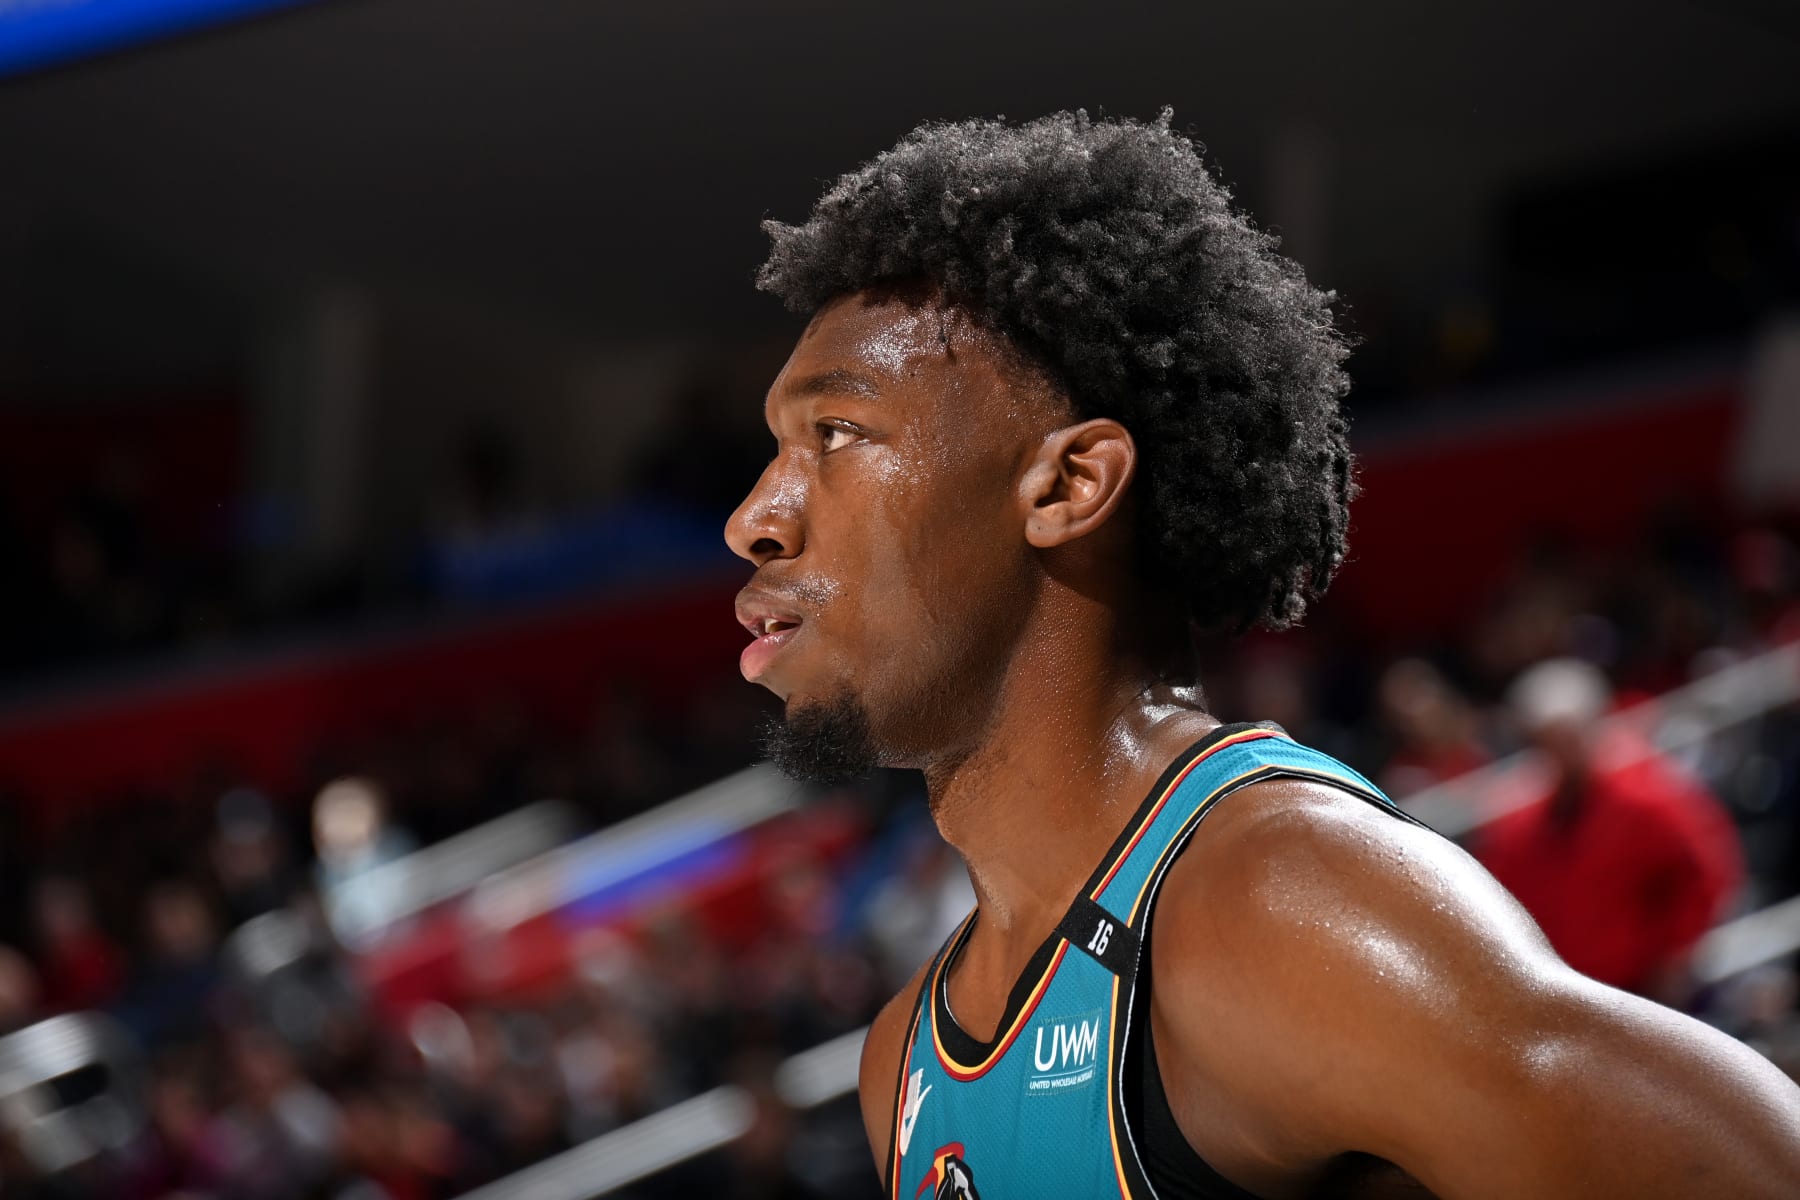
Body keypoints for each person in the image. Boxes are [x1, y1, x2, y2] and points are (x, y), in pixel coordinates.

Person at [725, 111, 1800, 1199]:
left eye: (836, 436)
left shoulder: (1273, 907)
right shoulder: (902, 1056)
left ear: (1066, 486)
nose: (755, 517)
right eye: (774, 449)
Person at [1475, 658, 1742, 1006]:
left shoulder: (1650, 797)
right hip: (1570, 996)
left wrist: (1676, 956)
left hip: (1650, 992)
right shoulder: (1516, 823)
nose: (1560, 753)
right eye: (1546, 742)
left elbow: (1705, 877)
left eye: (1568, 737)